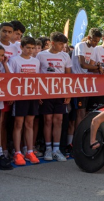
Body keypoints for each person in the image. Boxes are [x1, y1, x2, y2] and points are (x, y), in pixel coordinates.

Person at [36, 32, 72, 161]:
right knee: (47, 120)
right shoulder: (41, 55)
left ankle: (57, 149)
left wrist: (68, 93)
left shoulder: (65, 55)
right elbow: (37, 75)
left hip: (60, 92)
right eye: (60, 44)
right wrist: (38, 93)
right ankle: (48, 149)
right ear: (52, 43)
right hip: (46, 93)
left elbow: (68, 76)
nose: (63, 46)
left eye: (64, 44)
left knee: (59, 121)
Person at [9, 36, 41, 165]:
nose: (30, 50)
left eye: (32, 48)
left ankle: (29, 151)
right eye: (28, 47)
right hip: (19, 96)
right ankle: (17, 153)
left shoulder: (36, 61)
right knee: (18, 124)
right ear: (21, 47)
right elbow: (10, 79)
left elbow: (38, 79)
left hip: (32, 96)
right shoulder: (14, 60)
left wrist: (39, 94)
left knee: (29, 124)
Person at [70, 28, 102, 147]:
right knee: (80, 112)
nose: (95, 44)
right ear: (89, 38)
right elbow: (83, 64)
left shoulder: (93, 49)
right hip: (77, 82)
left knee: (86, 112)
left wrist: (98, 68)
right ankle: (77, 139)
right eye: (94, 41)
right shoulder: (80, 45)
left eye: (97, 41)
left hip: (88, 83)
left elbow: (90, 67)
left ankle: (83, 137)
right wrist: (98, 68)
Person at [0, 45, 12, 170]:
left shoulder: (2, 66)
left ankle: (1, 154)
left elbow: (10, 78)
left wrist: (5, 64)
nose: (1, 58)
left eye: (2, 55)